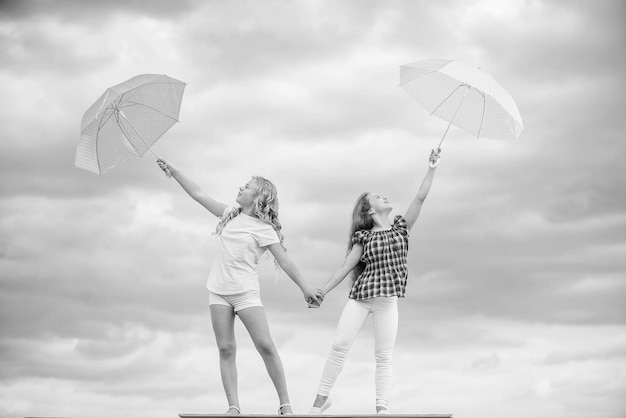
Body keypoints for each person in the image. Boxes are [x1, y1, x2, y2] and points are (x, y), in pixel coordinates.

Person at [156, 158, 321, 416]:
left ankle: (285, 404)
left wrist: (305, 288)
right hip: (218, 291)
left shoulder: (264, 229)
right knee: (226, 348)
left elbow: (284, 260)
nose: (240, 189)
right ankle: (233, 406)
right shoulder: (229, 216)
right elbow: (199, 194)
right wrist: (174, 172)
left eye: (246, 187)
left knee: (265, 345)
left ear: (257, 198)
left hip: (245, 293)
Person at [308, 149, 441, 415]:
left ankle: (382, 409)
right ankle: (320, 401)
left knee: (383, 356)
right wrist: (322, 291)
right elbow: (346, 266)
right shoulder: (364, 236)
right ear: (369, 209)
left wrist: (432, 166)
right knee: (339, 345)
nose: (384, 197)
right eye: (377, 197)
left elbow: (421, 196)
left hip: (387, 301)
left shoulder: (401, 228)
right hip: (362, 298)